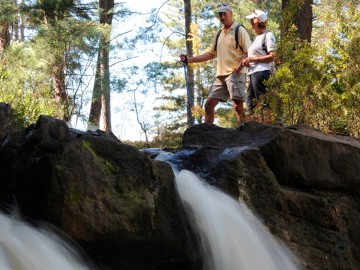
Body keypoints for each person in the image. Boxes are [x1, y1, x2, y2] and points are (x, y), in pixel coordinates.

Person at [180, 3, 251, 125]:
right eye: (220, 15)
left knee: (237, 107)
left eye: (225, 14)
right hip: (220, 76)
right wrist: (189, 59)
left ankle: (244, 136)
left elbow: (248, 52)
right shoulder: (219, 33)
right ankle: (207, 137)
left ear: (231, 13)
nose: (222, 17)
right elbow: (210, 54)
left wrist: (238, 68)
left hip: (236, 73)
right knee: (208, 105)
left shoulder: (239, 30)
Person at [241, 10, 276, 119]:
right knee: (250, 104)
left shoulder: (268, 35)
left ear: (256, 22)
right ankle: (254, 129)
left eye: (251, 20)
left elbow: (272, 56)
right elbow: (253, 58)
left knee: (264, 103)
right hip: (252, 74)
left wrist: (254, 59)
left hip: (263, 73)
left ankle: (270, 127)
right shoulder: (256, 38)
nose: (250, 23)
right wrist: (247, 61)